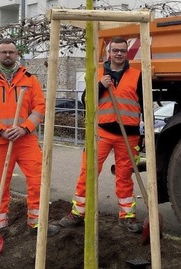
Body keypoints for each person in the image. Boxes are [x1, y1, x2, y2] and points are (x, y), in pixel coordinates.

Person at [59, 37, 144, 233]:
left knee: (124, 177)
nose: (119, 54)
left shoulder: (137, 76)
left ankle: (127, 216)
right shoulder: (97, 73)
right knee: (89, 172)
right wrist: (100, 86)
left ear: (126, 53)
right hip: (102, 132)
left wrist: (144, 134)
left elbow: (145, 105)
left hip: (128, 135)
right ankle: (78, 213)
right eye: (115, 50)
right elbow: (85, 101)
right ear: (109, 52)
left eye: (123, 50)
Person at [0, 38, 59, 236]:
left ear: (17, 54)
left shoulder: (30, 79)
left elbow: (40, 108)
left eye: (11, 52)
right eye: (3, 52)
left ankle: (36, 223)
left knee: (38, 180)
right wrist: (1, 130)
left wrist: (24, 128)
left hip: (25, 141)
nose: (7, 55)